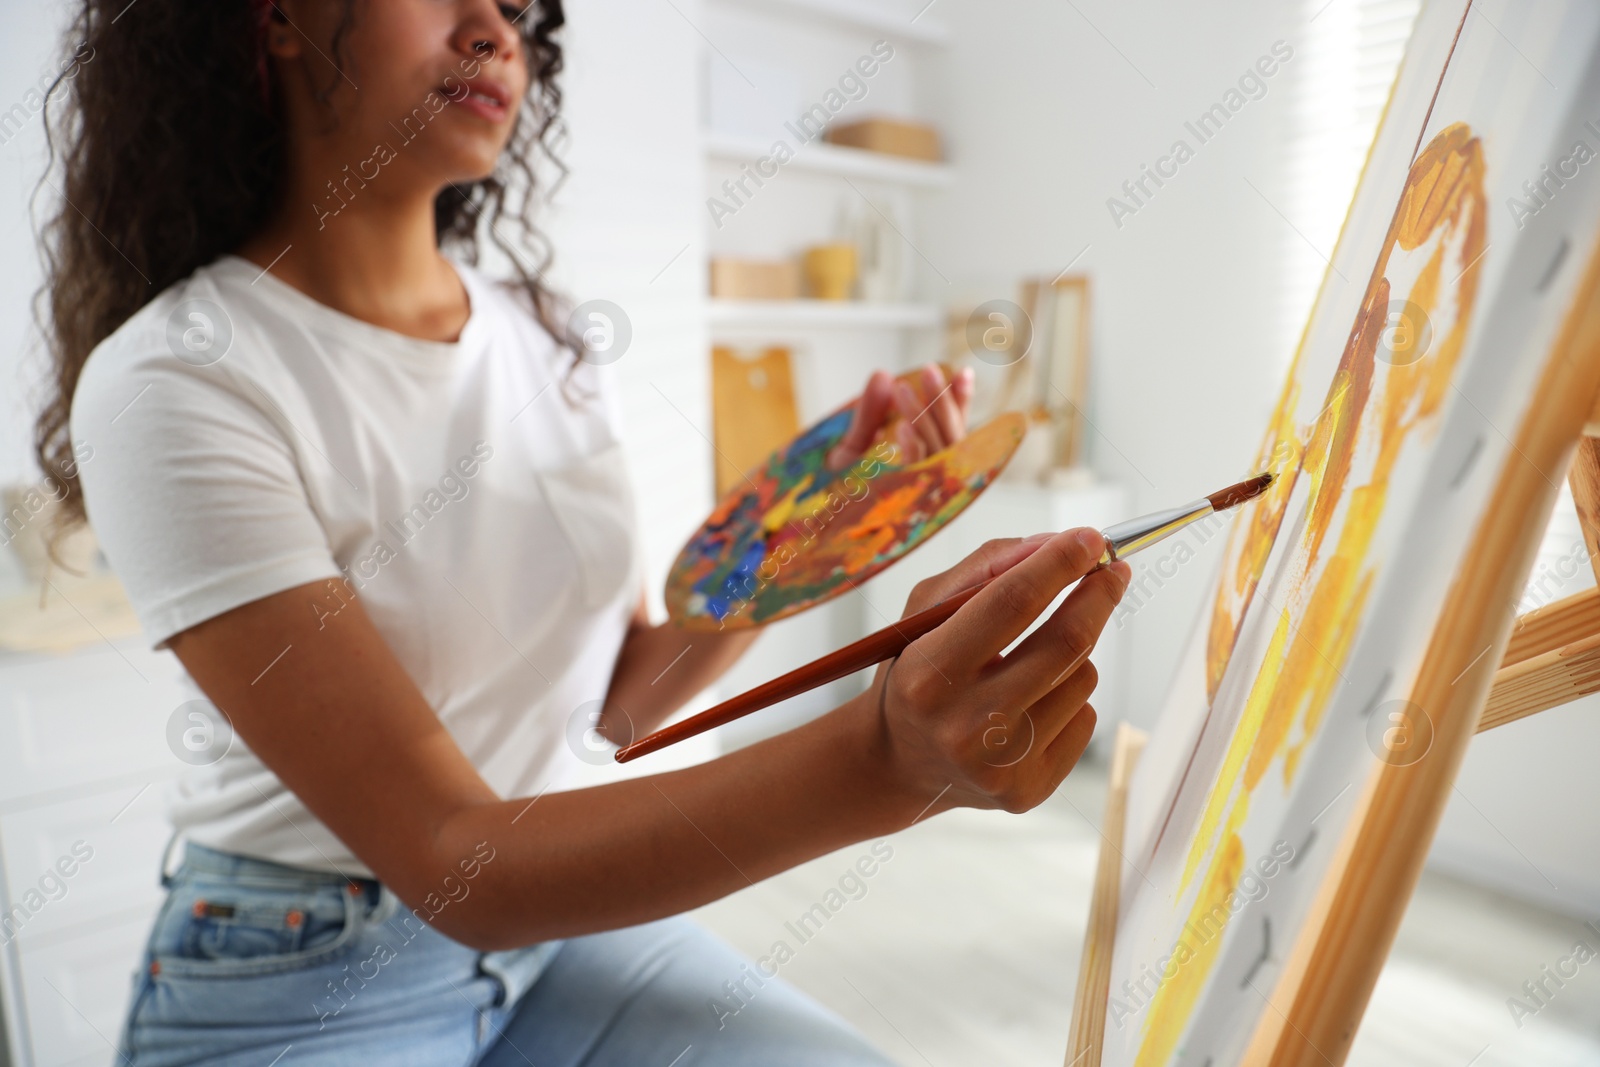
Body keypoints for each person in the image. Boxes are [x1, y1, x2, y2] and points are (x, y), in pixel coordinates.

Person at [34, 1, 1129, 1063]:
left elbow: (617, 702)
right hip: (300, 972)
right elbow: (451, 860)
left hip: (549, 936)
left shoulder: (540, 337)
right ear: (272, 16)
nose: (494, 29)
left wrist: (815, 526)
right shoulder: (178, 379)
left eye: (514, 5)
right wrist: (886, 756)